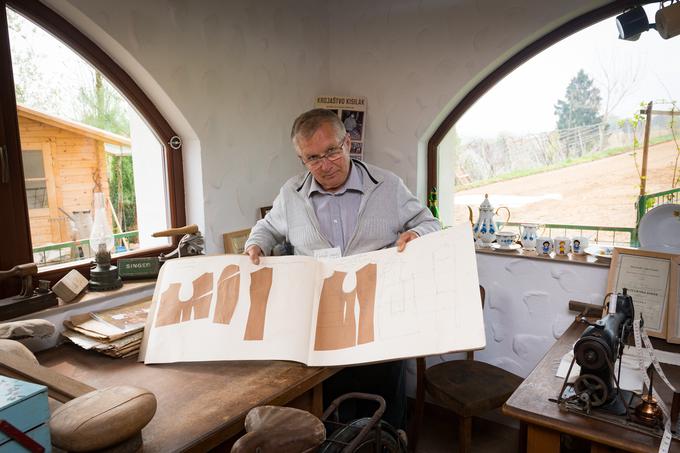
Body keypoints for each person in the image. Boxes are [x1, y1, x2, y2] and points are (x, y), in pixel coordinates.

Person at [244, 108, 440, 429]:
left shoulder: (387, 186)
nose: (325, 165)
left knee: (384, 411)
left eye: (332, 151)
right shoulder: (291, 195)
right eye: (312, 158)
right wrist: (256, 245)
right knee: (333, 409)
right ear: (302, 160)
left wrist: (415, 234)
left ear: (347, 142)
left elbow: (431, 223)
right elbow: (266, 228)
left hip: (380, 320)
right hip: (323, 324)